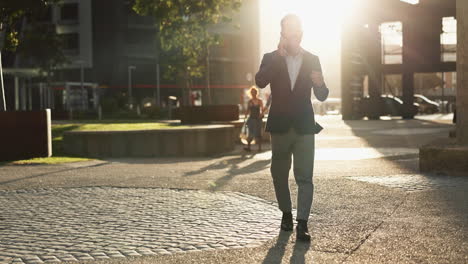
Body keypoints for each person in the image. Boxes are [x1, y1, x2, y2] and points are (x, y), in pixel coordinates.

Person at [255, 14, 329, 241]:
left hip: (305, 126)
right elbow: (260, 81)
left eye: (296, 30)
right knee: (279, 173)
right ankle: (286, 213)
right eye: (288, 30)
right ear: (282, 34)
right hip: (280, 126)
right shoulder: (270, 57)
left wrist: (320, 83)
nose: (293, 34)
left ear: (301, 33)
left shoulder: (313, 59)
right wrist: (278, 57)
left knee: (305, 176)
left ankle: (303, 223)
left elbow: (322, 95)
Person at [244, 86, 264, 152]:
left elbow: (262, 110)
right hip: (251, 119)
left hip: (258, 119)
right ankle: (249, 147)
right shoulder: (249, 101)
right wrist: (245, 116)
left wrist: (261, 115)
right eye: (252, 92)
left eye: (254, 92)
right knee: (250, 133)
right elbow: (247, 110)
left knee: (258, 134)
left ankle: (259, 148)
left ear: (256, 93)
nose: (253, 93)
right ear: (251, 93)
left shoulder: (260, 101)